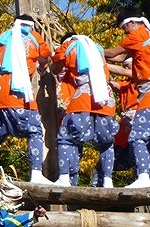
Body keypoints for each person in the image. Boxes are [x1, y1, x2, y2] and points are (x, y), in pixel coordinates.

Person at [104, 7, 150, 188]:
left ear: (132, 23)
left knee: (137, 137)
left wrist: (91, 49)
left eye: (124, 28)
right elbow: (121, 59)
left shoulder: (137, 35)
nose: (124, 33)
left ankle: (143, 177)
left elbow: (113, 54)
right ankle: (147, 179)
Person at [0, 14, 53, 184]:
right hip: (18, 92)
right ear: (32, 26)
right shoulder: (33, 36)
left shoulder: (1, 37)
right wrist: (42, 67)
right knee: (34, 131)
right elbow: (46, 57)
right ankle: (36, 173)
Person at [50, 33, 119, 188]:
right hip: (106, 99)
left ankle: (64, 177)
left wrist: (51, 63)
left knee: (66, 138)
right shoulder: (98, 48)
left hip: (84, 97)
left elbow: (55, 68)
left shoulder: (68, 46)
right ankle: (108, 180)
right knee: (107, 142)